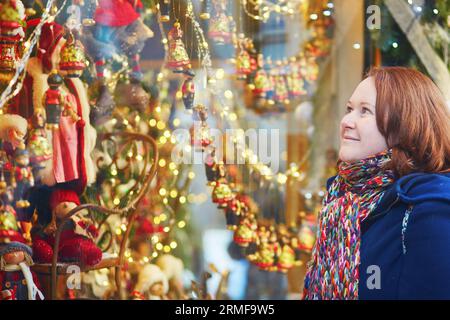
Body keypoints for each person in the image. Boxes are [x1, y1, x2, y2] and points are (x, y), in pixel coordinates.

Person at [303, 66, 450, 300]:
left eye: (365, 112)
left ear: (404, 125)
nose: (347, 121)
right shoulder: (343, 199)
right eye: (349, 109)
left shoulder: (430, 206)